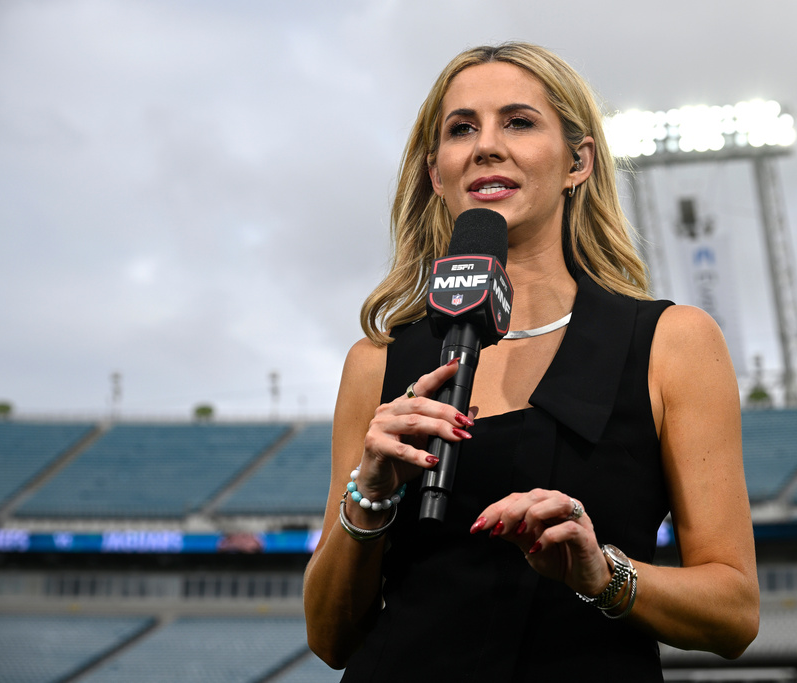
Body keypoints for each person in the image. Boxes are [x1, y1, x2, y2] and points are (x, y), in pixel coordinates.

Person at [304, 42, 758, 681]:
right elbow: (328, 637)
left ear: (578, 161)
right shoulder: (376, 362)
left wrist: (603, 573)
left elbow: (735, 613)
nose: (486, 146)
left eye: (518, 121)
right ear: (438, 174)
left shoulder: (671, 343)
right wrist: (369, 498)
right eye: (462, 129)